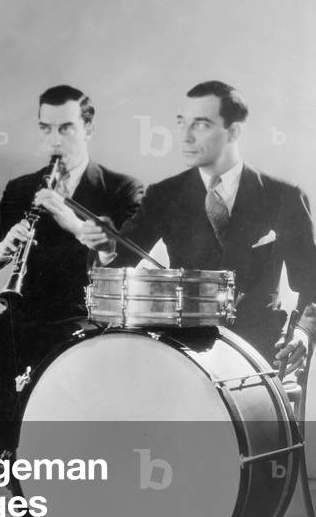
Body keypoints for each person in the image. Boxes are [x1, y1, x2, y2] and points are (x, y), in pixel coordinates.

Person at [0, 85, 144, 461]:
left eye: (66, 128)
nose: (55, 139)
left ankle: (57, 477)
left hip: (89, 315)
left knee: (54, 383)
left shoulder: (121, 189)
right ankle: (13, 472)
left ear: (89, 128)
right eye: (46, 129)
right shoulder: (23, 188)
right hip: (27, 311)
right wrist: (3, 246)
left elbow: (127, 258)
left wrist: (71, 221)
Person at [83, 80, 316, 368]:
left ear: (234, 131)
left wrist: (304, 333)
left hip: (260, 352)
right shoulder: (164, 194)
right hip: (183, 353)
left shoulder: (284, 196)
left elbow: (311, 282)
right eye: (183, 123)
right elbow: (116, 263)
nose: (186, 136)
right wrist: (105, 249)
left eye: (201, 124)